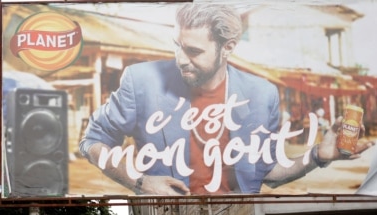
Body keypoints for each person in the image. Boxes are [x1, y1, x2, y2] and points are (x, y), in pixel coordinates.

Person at [79, 3, 362, 196]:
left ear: (227, 48)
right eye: (177, 46)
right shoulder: (142, 81)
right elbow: (92, 141)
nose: (180, 59)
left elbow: (266, 173)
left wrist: (317, 156)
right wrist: (139, 182)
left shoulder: (262, 94)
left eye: (193, 51)